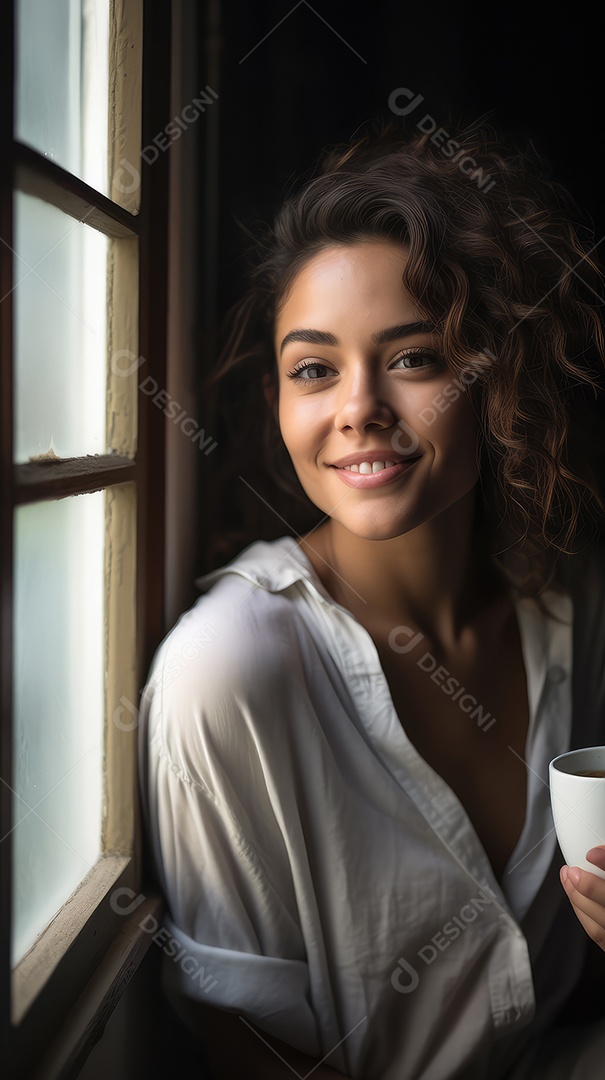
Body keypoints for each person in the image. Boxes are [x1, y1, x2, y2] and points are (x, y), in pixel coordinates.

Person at [138, 116, 605, 1079]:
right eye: (313, 369)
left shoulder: (573, 604)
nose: (356, 408)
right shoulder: (226, 672)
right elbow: (250, 1054)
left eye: (412, 358)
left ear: (494, 379)